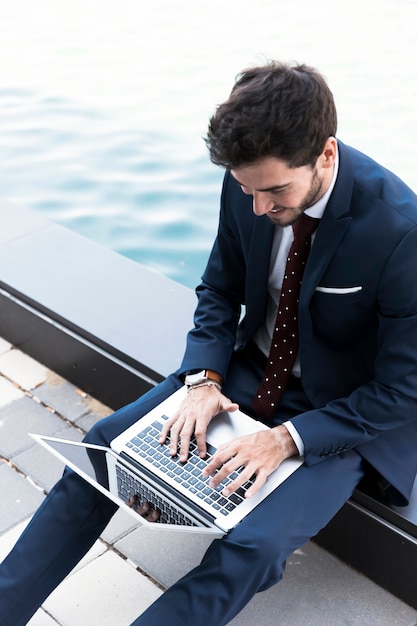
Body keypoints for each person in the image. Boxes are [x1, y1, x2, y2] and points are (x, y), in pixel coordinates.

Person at [1, 60, 417, 626]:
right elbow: (218, 290)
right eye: (247, 189)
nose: (259, 208)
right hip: (249, 369)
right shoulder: (247, 182)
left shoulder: (401, 229)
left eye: (274, 191)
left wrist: (286, 440)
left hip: (341, 410)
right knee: (104, 451)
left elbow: (402, 389)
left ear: (325, 153)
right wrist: (202, 381)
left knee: (254, 547)